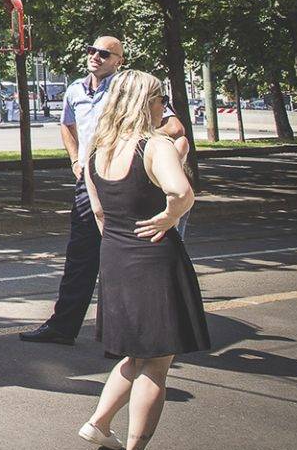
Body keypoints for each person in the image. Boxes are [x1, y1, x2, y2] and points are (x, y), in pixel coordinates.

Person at [75, 68, 209, 450]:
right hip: (152, 257)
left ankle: (98, 423)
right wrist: (169, 217)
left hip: (115, 254)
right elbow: (181, 192)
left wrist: (117, 237)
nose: (161, 106)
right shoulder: (155, 145)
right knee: (157, 361)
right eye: (158, 99)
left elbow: (98, 210)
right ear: (145, 103)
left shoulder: (98, 147)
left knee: (136, 351)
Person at [22, 36, 189, 345]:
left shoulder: (129, 89)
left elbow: (175, 128)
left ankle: (137, 328)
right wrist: (75, 159)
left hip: (127, 179)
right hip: (90, 179)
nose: (95, 57)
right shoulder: (74, 90)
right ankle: (63, 327)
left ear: (118, 61)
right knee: (81, 256)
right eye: (91, 51)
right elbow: (67, 125)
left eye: (104, 53)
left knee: (127, 252)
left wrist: (131, 137)